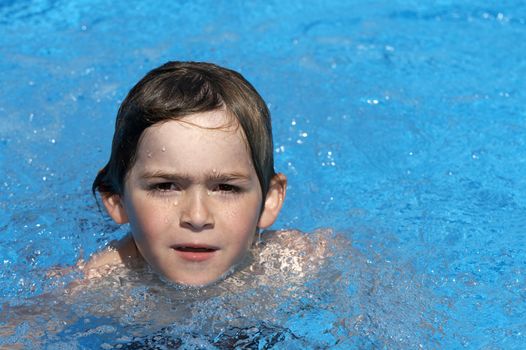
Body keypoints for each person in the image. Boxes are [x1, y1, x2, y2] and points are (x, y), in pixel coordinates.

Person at [86, 61, 291, 286]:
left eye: (226, 187)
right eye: (165, 186)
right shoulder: (91, 287)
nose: (197, 217)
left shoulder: (293, 267)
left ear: (269, 200)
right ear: (116, 199)